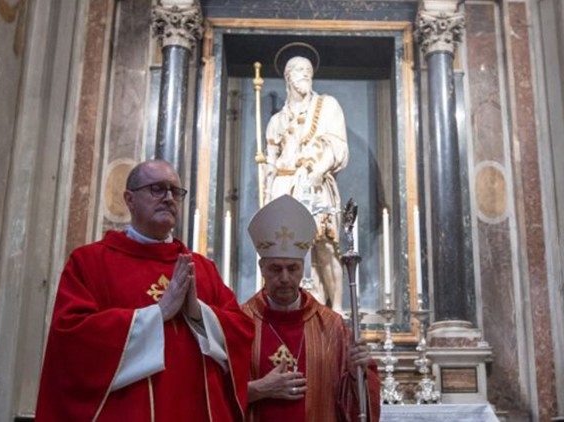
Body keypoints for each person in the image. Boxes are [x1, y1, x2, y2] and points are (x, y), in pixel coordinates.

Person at [35, 159, 253, 421]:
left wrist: (198, 313)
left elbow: (242, 331)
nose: (169, 198)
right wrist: (157, 314)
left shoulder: (202, 268)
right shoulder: (90, 263)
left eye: (175, 191)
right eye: (157, 189)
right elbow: (72, 339)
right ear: (129, 199)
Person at [242, 195, 380, 422]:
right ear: (262, 268)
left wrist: (360, 373)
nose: (285, 278)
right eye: (276, 269)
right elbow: (214, 394)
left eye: (292, 268)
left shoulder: (332, 326)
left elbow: (350, 403)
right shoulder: (239, 322)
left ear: (303, 268)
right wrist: (258, 389)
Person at [263, 53, 349, 313]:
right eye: (300, 70)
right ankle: (294, 308)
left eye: (309, 70)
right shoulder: (276, 121)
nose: (306, 74)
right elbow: (270, 162)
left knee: (325, 248)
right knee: (287, 252)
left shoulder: (327, 106)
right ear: (288, 77)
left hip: (315, 183)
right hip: (284, 186)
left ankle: (337, 313)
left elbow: (339, 145)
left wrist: (318, 170)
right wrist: (268, 194)